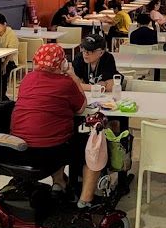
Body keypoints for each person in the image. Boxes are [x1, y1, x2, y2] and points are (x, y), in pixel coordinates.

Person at [8, 43, 101, 209]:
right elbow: (81, 107)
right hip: (50, 151)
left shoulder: (27, 79)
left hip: (18, 148)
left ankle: (59, 182)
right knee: (93, 145)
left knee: (54, 131)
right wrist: (73, 76)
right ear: (63, 64)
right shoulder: (66, 83)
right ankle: (85, 200)